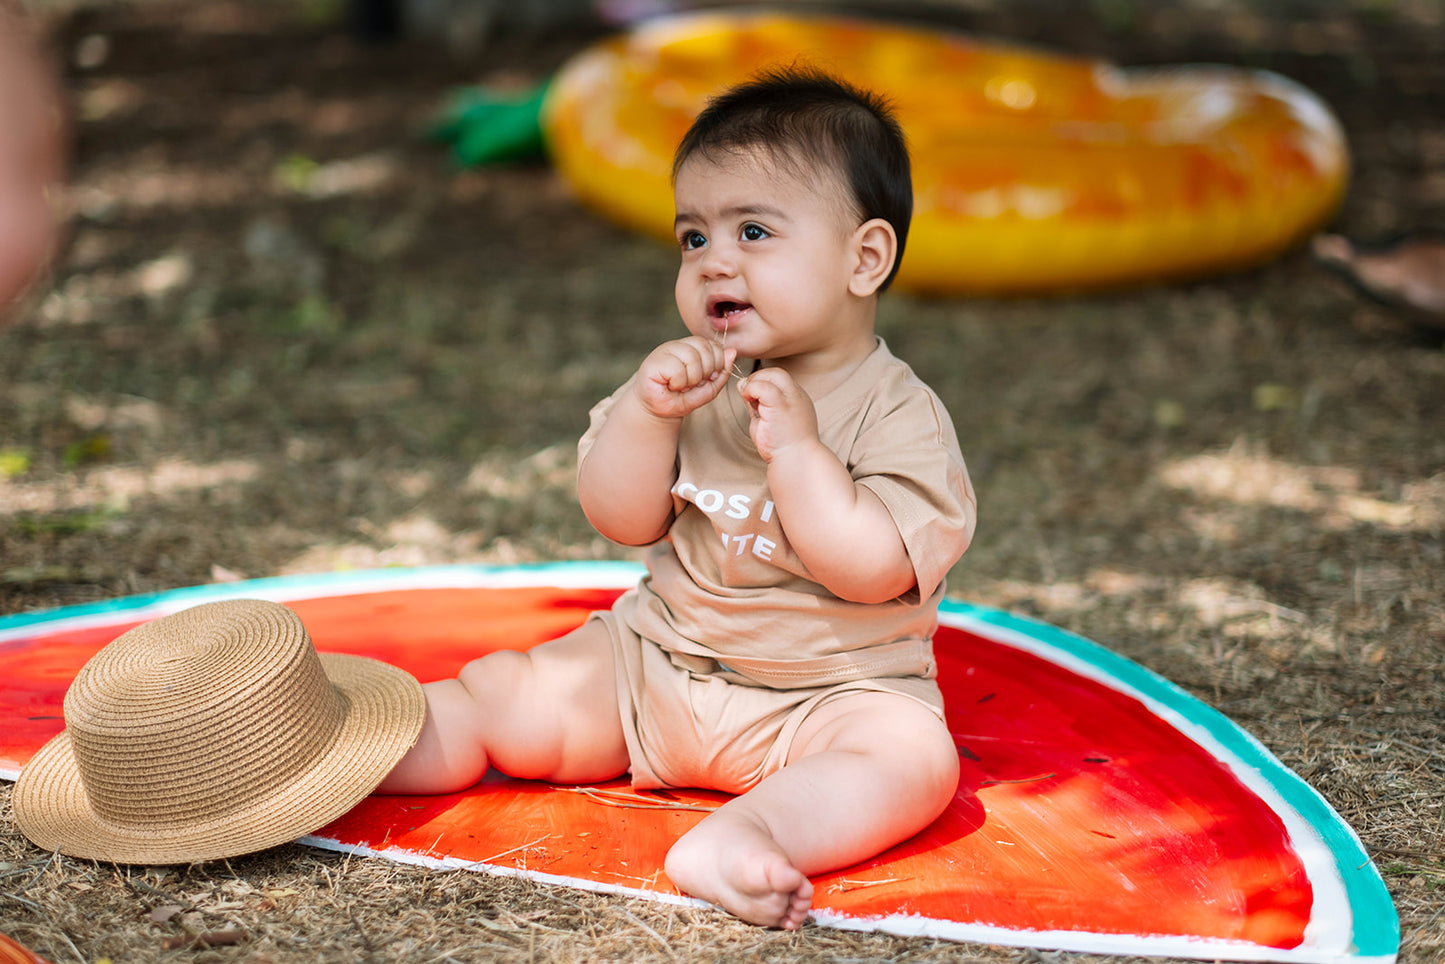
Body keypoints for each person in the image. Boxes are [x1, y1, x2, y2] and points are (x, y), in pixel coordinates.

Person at [379, 66, 977, 930]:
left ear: (864, 257)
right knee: (505, 695)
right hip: (655, 665)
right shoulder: (690, 384)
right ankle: (348, 747)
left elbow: (871, 572)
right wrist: (642, 414)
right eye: (693, 237)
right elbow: (621, 519)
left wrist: (801, 455)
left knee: (912, 760)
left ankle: (744, 836)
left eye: (754, 230)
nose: (714, 261)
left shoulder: (899, 414)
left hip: (827, 695)